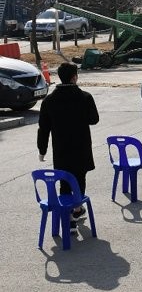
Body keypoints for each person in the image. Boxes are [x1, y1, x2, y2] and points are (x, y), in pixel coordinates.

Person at [37, 62, 100, 229]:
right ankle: (77, 209)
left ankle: (68, 217)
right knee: (80, 178)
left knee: (64, 181)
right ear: (74, 77)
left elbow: (44, 127)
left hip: (61, 149)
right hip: (81, 147)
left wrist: (42, 150)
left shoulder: (49, 100)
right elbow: (94, 119)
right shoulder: (85, 97)